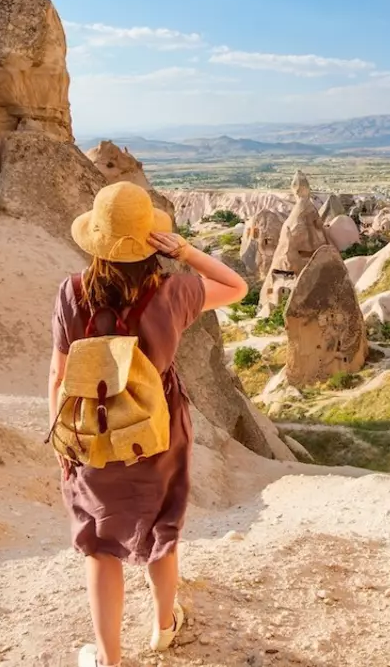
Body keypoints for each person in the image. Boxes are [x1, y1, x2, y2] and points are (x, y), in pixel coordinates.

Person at [49, 181, 248, 667]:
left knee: (100, 544)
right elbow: (238, 287)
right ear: (150, 241)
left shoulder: (72, 292)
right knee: (161, 529)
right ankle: (163, 628)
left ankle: (108, 658)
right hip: (157, 430)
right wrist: (186, 251)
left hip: (93, 428)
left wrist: (61, 437)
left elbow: (58, 372)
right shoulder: (176, 291)